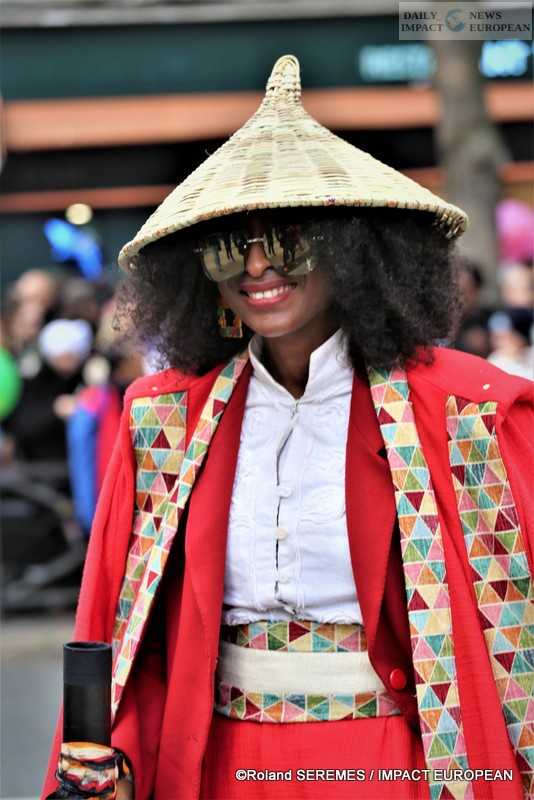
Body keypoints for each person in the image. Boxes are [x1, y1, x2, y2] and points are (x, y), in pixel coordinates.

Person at [44, 55, 533, 800]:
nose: (256, 266)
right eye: (227, 245)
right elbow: (123, 634)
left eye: (287, 238)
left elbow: (517, 635)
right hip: (215, 767)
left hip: (390, 766)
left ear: (354, 250)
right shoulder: (164, 419)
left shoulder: (469, 412)